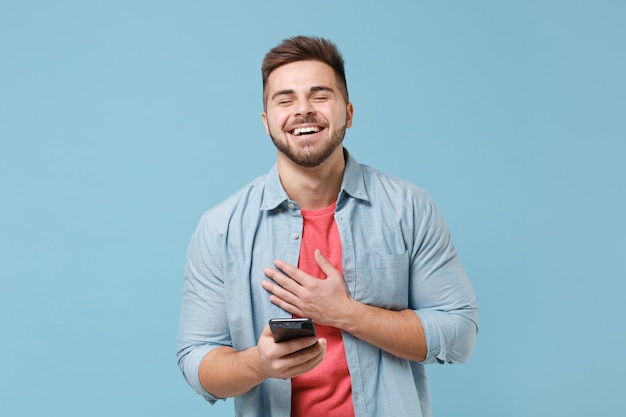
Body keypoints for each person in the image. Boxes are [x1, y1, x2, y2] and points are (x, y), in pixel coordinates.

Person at [177, 36, 478, 417]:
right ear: (267, 123)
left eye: (320, 96)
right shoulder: (221, 228)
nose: (303, 110)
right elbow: (196, 359)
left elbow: (460, 333)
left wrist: (345, 313)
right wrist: (259, 364)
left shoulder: (409, 209)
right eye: (285, 99)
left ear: (348, 113)